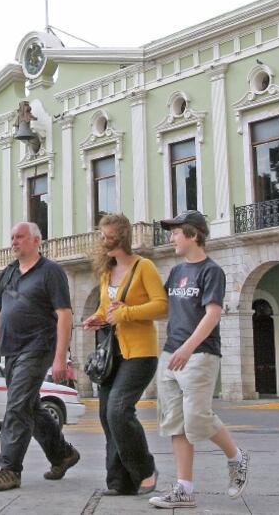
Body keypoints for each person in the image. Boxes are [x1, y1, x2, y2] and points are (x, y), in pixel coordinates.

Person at [148, 210, 249, 510]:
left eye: (176, 232)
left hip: (200, 354)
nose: (172, 237)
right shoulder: (176, 272)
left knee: (197, 419)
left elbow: (213, 314)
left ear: (193, 235)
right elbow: (165, 309)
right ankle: (184, 489)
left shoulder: (211, 271)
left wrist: (188, 348)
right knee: (175, 423)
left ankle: (237, 457)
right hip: (170, 354)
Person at [0, 222, 78, 492]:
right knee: (30, 407)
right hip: (10, 349)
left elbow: (65, 314)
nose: (14, 242)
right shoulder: (8, 273)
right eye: (12, 237)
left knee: (16, 406)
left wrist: (60, 357)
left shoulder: (51, 272)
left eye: (20, 237)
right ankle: (63, 454)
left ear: (36, 240)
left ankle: (10, 469)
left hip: (38, 347)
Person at [82, 213, 168, 497]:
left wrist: (126, 313)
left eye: (108, 236)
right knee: (107, 417)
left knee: (119, 410)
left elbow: (161, 306)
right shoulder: (107, 272)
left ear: (122, 237)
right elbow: (109, 310)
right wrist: (97, 317)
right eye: (101, 236)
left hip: (140, 354)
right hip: (112, 355)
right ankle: (120, 482)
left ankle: (145, 470)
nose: (103, 241)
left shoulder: (144, 267)